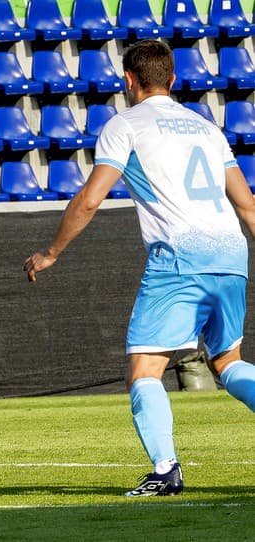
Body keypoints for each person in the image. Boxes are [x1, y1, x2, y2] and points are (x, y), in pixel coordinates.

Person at [23, 40, 255, 497]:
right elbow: (246, 204)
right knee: (228, 361)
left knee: (145, 368)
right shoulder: (207, 128)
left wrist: (51, 252)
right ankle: (165, 467)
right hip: (231, 252)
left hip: (180, 257)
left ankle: (166, 470)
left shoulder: (124, 125)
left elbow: (90, 199)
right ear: (173, 79)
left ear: (128, 79)